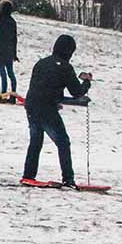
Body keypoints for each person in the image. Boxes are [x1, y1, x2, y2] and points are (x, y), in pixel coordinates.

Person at [21, 34, 91, 187]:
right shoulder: (65, 68)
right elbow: (77, 92)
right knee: (63, 142)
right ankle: (68, 178)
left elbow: (41, 86)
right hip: (47, 108)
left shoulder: (41, 63)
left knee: (35, 142)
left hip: (31, 105)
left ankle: (28, 175)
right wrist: (87, 82)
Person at [0, 0, 19, 103]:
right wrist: (14, 54)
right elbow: (14, 39)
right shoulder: (12, 22)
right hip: (10, 52)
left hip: (1, 53)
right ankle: (13, 96)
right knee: (11, 74)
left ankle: (3, 96)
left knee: (3, 74)